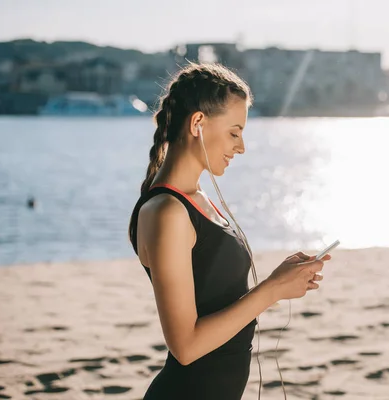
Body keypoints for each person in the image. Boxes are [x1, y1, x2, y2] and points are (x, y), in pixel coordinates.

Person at [128, 62, 330, 399]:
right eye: (234, 132)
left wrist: (283, 280)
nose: (241, 146)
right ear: (198, 123)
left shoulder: (198, 199)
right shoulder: (166, 212)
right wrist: (272, 289)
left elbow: (221, 296)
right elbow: (186, 346)